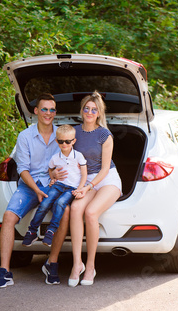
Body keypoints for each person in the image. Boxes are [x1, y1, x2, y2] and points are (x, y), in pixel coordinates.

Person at [0, 93, 68, 288]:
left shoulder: (62, 136)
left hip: (53, 186)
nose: (48, 113)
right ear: (36, 111)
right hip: (29, 185)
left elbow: (71, 161)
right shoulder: (25, 136)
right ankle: (5, 271)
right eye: (44, 109)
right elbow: (22, 169)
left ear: (55, 113)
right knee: (8, 217)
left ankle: (51, 263)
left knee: (65, 212)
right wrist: (37, 190)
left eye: (52, 110)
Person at [68, 91, 122, 287]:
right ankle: (77, 264)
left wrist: (88, 186)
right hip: (85, 178)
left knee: (90, 213)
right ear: (82, 110)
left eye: (94, 109)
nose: (90, 112)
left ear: (99, 113)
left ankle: (90, 266)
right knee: (75, 209)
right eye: (86, 108)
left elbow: (105, 168)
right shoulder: (73, 132)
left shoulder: (104, 135)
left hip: (107, 179)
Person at [22, 124, 87, 248]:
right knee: (45, 203)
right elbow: (50, 170)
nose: (64, 144)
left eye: (68, 141)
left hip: (72, 188)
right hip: (58, 185)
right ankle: (32, 231)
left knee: (60, 203)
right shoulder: (55, 158)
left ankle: (51, 231)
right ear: (56, 141)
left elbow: (84, 174)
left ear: (74, 141)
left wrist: (80, 188)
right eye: (61, 141)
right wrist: (52, 179)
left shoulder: (78, 156)